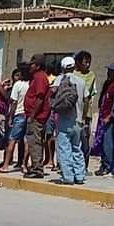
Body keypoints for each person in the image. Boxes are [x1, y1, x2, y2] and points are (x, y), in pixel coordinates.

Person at [51, 56, 86, 185]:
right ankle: (80, 175)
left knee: (64, 149)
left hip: (64, 119)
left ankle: (68, 177)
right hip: (78, 120)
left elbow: (52, 93)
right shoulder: (81, 81)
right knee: (77, 148)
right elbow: (86, 100)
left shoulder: (59, 80)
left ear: (62, 68)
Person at [23, 54, 51, 179]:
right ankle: (35, 166)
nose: (30, 67)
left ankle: (37, 169)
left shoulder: (40, 78)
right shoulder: (35, 77)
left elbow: (40, 97)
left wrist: (33, 115)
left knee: (35, 142)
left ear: (38, 66)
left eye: (32, 64)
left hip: (37, 116)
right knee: (32, 141)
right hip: (33, 115)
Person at [0, 65, 29, 173]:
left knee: (12, 140)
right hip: (28, 115)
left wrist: (10, 116)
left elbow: (14, 102)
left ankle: (5, 165)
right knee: (26, 142)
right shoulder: (31, 84)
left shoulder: (18, 85)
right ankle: (24, 165)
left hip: (18, 114)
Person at [73, 50, 97, 168]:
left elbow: (89, 94)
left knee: (85, 140)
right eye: (85, 62)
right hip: (74, 113)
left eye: (89, 62)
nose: (87, 64)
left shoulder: (91, 75)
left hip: (86, 113)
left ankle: (85, 165)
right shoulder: (73, 75)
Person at [94, 63, 114, 175]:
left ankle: (108, 165)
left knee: (108, 144)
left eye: (111, 71)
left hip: (110, 119)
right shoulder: (107, 84)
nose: (108, 74)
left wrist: (109, 116)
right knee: (102, 142)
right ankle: (104, 164)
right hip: (102, 117)